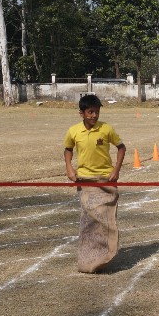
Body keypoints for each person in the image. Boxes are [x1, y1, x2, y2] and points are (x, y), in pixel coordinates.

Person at [63, 94, 126, 273]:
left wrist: (116, 170)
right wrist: (69, 168)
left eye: (97, 112)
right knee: (89, 220)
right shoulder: (74, 131)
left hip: (105, 180)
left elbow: (121, 147)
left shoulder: (106, 129)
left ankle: (105, 255)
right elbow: (68, 149)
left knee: (105, 219)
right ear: (81, 113)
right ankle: (89, 260)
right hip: (85, 181)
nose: (94, 116)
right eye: (90, 112)